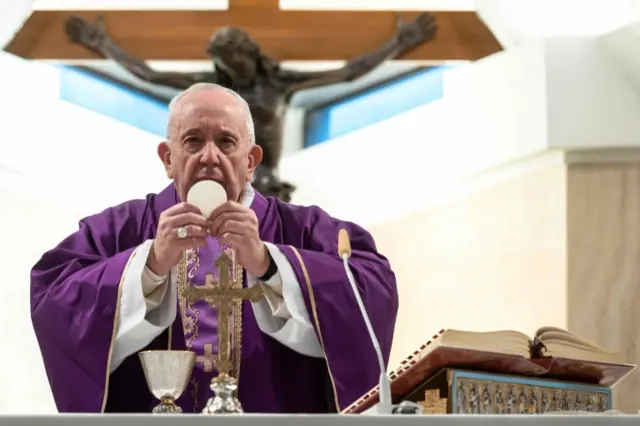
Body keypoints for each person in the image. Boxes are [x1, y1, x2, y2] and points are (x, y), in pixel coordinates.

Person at [30, 83, 399, 414]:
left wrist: (270, 264)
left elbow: (373, 286)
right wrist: (150, 265)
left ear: (251, 161)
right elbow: (53, 297)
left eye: (226, 142)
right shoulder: (119, 230)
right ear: (168, 158)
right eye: (192, 141)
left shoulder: (302, 230)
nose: (209, 156)